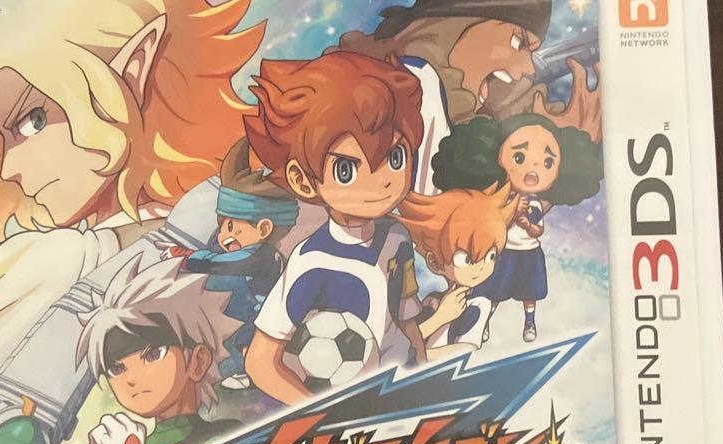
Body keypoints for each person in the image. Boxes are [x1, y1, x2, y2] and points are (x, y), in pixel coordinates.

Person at [0, 0, 264, 444]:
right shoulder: (87, 252)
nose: (8, 168)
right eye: (7, 136)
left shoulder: (78, 257)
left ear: (134, 67)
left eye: (33, 120)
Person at [242, 52, 427, 404]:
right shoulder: (312, 264)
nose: (381, 181)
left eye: (395, 158)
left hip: (403, 387)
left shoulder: (397, 237)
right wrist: (321, 414)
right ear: (302, 179)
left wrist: (423, 367)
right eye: (347, 169)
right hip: (356, 408)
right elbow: (260, 361)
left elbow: (405, 315)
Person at [36, 256, 240, 444]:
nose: (132, 378)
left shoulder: (225, 437)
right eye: (117, 369)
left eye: (152, 355)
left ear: (198, 361)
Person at [335, 0, 553, 192]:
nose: (528, 68)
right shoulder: (408, 88)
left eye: (531, 52)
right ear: (454, 25)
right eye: (517, 42)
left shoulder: (461, 114)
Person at [431, 94, 603, 342]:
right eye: (520, 158)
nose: (533, 170)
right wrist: (511, 212)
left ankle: (529, 322)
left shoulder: (535, 203)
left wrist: (526, 223)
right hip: (502, 252)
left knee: (529, 292)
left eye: (547, 162)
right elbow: (493, 224)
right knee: (492, 291)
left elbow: (538, 230)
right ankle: (483, 321)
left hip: (528, 253)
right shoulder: (498, 199)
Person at [164, 138, 299, 390]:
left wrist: (189, 258)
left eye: (232, 227)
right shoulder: (232, 246)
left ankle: (237, 367)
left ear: (264, 229)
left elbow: (224, 264)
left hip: (254, 320)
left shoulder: (260, 257)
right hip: (232, 313)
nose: (224, 236)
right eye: (223, 226)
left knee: (236, 337)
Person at [397, 183, 518, 359]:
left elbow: (464, 352)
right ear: (434, 263)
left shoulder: (477, 305)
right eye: (466, 260)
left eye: (490, 256)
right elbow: (401, 345)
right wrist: (440, 318)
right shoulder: (431, 301)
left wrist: (419, 355)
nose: (481, 266)